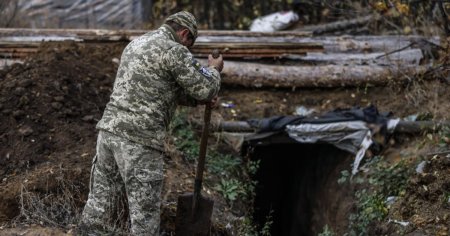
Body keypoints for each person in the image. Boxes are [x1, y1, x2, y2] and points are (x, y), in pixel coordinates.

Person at [79, 11, 223, 235]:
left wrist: (199, 99)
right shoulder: (174, 50)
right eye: (190, 43)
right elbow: (206, 86)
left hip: (108, 134)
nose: (188, 49)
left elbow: (167, 89)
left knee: (98, 206)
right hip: (140, 142)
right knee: (144, 220)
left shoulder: (137, 43)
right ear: (184, 33)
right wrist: (214, 69)